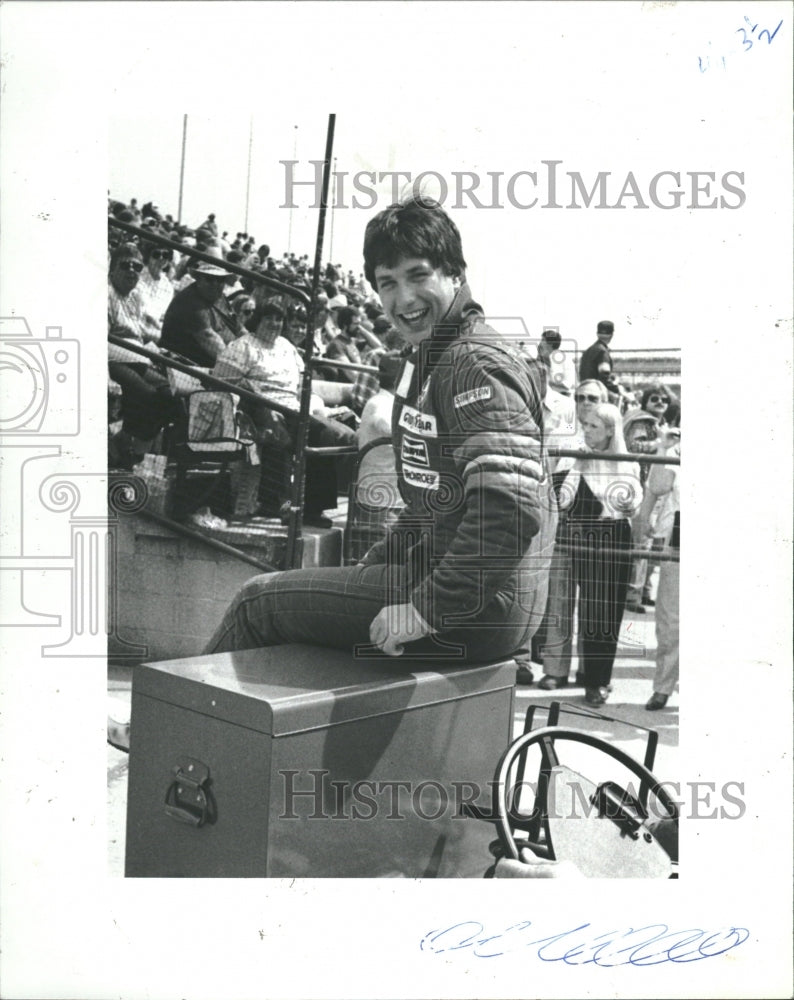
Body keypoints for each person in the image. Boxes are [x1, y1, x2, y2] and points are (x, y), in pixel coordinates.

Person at [204, 196, 553, 664]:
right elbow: (435, 498)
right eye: (387, 283)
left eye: (417, 275)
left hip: (475, 604)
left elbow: (507, 510)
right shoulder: (433, 356)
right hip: (485, 599)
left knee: (256, 602)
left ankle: (162, 734)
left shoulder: (472, 361)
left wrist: (427, 611)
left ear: (455, 273)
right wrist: (378, 561)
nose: (402, 299)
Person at [211, 301, 356, 525]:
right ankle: (290, 506)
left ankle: (310, 507)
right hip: (258, 410)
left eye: (279, 319)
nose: (274, 323)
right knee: (304, 435)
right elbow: (222, 382)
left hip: (292, 408)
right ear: (257, 320)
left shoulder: (286, 346)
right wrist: (254, 401)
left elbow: (299, 386)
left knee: (339, 434)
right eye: (268, 318)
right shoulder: (243, 346)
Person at [549, 403, 642, 705]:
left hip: (615, 536)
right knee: (590, 608)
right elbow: (562, 501)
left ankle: (600, 679)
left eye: (594, 427)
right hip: (585, 536)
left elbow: (629, 506)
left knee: (609, 610)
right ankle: (590, 679)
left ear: (610, 431)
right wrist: (577, 466)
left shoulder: (626, 462)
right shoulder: (575, 456)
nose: (586, 431)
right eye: (585, 425)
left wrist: (606, 496)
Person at [635, 437, 680, 710]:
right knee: (670, 618)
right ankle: (663, 687)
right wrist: (664, 448)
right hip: (680, 532)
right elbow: (659, 486)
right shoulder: (676, 450)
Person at [160, 252, 238, 366]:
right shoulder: (190, 301)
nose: (215, 284)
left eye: (220, 279)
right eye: (210, 278)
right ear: (199, 279)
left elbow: (238, 329)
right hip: (178, 363)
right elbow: (210, 340)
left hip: (205, 361)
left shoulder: (221, 297)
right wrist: (238, 363)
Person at [578, 320, 614, 385]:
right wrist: (617, 389)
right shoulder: (602, 351)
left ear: (597, 334)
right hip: (597, 390)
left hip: (583, 388)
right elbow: (604, 375)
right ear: (611, 335)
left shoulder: (587, 351)